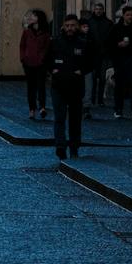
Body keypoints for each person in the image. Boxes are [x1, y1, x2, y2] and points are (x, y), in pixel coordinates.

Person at [48, 14, 92, 160]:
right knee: (59, 117)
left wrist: (82, 71)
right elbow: (46, 59)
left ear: (77, 26)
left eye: (72, 25)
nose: (70, 28)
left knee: (75, 119)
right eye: (67, 26)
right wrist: (52, 70)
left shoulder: (83, 43)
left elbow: (92, 61)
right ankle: (60, 146)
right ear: (63, 27)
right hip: (58, 86)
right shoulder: (55, 42)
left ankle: (74, 147)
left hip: (76, 86)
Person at [19, 8, 52, 120]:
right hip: (28, 63)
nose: (31, 17)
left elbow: (47, 48)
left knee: (41, 85)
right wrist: (23, 58)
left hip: (41, 64)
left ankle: (42, 107)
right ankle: (32, 109)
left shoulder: (45, 33)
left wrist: (43, 58)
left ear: (39, 18)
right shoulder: (27, 32)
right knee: (31, 87)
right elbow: (22, 45)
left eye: (34, 16)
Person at [83, 2, 113, 120]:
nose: (98, 11)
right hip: (92, 54)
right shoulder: (89, 22)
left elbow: (110, 38)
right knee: (93, 77)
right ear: (94, 10)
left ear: (103, 10)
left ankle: (100, 99)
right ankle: (92, 99)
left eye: (100, 9)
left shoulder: (108, 23)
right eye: (96, 9)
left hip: (104, 54)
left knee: (102, 77)